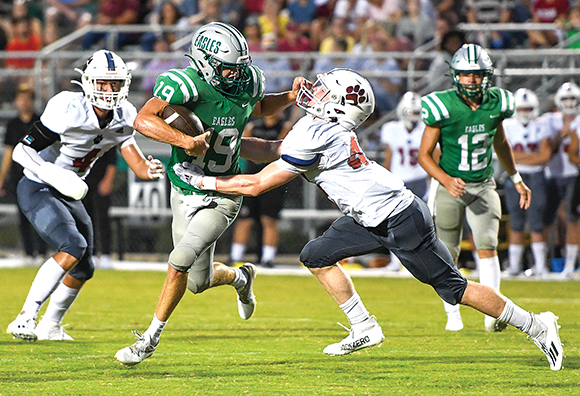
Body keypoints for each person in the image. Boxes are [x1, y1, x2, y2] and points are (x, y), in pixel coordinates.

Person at [173, 68, 564, 371]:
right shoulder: (315, 127)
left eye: (325, 92)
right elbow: (274, 148)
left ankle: (535, 324)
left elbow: (258, 185)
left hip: (397, 217)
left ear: (338, 105)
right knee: (315, 255)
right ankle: (363, 327)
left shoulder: (320, 133)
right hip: (369, 214)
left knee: (454, 289)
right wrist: (226, 139)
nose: (314, 92)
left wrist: (202, 179)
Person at [114, 22, 307, 367]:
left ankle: (148, 340)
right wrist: (184, 141)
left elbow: (259, 107)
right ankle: (240, 276)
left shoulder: (247, 82)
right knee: (197, 282)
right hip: (183, 186)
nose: (237, 74)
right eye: (228, 67)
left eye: (240, 66)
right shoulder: (187, 84)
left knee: (178, 262)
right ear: (204, 62)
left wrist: (289, 98)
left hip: (224, 191)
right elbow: (143, 120)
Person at [6, 49, 165, 342]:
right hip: (38, 185)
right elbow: (21, 150)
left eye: (114, 84)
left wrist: (147, 168)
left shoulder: (126, 114)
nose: (108, 90)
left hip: (70, 192)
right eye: (102, 83)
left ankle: (50, 326)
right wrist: (50, 172)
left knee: (84, 267)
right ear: (88, 82)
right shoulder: (68, 107)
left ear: (124, 85)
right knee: (72, 245)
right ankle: (25, 317)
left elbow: (132, 154)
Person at [417, 44, 531, 333]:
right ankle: (452, 313)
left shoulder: (497, 103)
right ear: (455, 76)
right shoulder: (442, 105)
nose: (471, 80)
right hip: (450, 186)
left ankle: (494, 313)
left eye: (477, 75)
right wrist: (445, 180)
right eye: (466, 75)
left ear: (487, 76)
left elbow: (501, 143)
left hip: (482, 184)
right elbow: (424, 154)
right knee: (447, 252)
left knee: (488, 246)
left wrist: (516, 178)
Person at [229, 111, 293, 268]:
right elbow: (243, 147)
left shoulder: (285, 127)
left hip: (272, 179)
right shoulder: (253, 127)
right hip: (252, 177)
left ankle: (268, 258)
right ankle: (235, 257)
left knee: (269, 219)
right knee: (244, 219)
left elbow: (281, 148)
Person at [0, 84, 47, 263]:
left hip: (39, 177)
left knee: (41, 215)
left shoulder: (40, 122)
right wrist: (1, 179)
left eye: (27, 98)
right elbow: (8, 152)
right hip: (19, 178)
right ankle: (29, 252)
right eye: (20, 99)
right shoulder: (13, 124)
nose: (23, 103)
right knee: (23, 216)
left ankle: (41, 251)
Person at [502, 88, 552, 276]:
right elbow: (505, 155)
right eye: (521, 109)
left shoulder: (542, 125)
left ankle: (540, 266)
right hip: (515, 177)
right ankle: (515, 266)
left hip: (536, 177)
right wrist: (532, 156)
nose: (524, 113)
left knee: (536, 221)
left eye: (528, 109)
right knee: (516, 221)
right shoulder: (506, 125)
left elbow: (545, 156)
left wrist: (518, 157)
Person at [379, 91, 428, 271]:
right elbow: (389, 157)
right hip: (398, 181)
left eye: (416, 113)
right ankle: (395, 262)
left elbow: (434, 157)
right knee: (395, 222)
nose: (413, 117)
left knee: (423, 224)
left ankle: (422, 261)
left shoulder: (427, 129)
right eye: (410, 112)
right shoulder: (392, 129)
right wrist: (384, 180)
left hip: (421, 179)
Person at [541, 81, 580, 277]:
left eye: (572, 98)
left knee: (572, 219)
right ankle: (544, 263)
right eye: (565, 98)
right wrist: (561, 134)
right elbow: (545, 152)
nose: (569, 102)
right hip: (551, 174)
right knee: (546, 219)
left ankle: (570, 265)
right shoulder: (549, 120)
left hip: (574, 175)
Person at [83, 147, 118, 270]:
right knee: (85, 219)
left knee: (103, 219)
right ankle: (89, 254)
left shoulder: (106, 132)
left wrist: (108, 180)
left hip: (101, 180)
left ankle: (106, 254)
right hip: (83, 181)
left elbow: (112, 161)